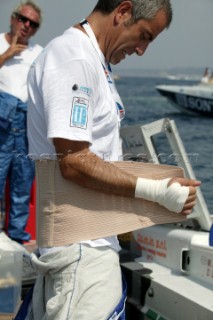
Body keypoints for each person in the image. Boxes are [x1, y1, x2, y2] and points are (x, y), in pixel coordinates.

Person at [27, 1, 200, 319]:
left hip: (89, 247)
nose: (142, 50)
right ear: (123, 11)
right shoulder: (75, 59)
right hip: (82, 251)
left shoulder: (93, 62)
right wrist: (157, 191)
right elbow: (75, 161)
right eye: (145, 35)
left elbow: (97, 155)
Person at [0, 0, 43, 244]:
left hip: (26, 123)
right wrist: (7, 54)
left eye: (32, 23)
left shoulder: (39, 52)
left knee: (22, 182)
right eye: (22, 19)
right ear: (13, 18)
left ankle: (16, 235)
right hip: (1, 120)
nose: (26, 25)